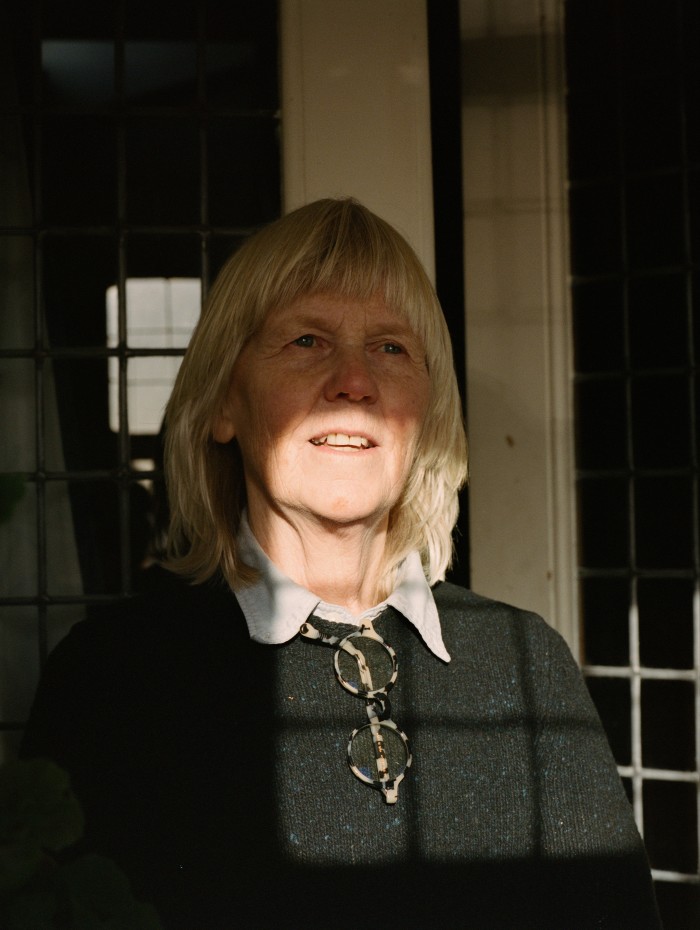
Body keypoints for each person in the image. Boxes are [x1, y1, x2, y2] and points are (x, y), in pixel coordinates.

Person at [22, 198, 660, 928]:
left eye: (390, 347)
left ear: (427, 414)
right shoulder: (112, 678)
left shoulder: (528, 663)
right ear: (224, 404)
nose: (354, 381)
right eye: (306, 341)